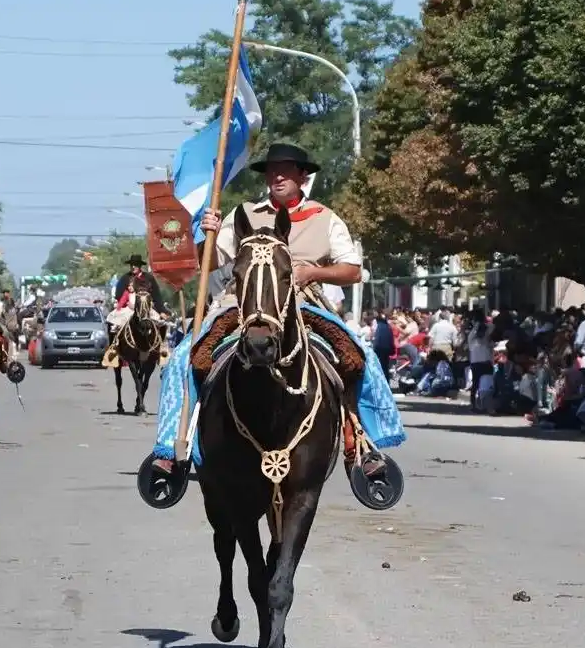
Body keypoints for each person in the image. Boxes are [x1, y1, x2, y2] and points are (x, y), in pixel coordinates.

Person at [150, 142, 405, 477]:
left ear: (303, 176)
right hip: (241, 305)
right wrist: (206, 235)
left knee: (360, 356)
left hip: (304, 304)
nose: (278, 176)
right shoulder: (243, 215)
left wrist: (312, 272)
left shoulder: (325, 218)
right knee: (183, 358)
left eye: (285, 170)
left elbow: (352, 270)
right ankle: (171, 446)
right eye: (272, 171)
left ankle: (362, 443)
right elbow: (207, 262)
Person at [103, 254, 168, 364]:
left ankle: (161, 348)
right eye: (132, 265)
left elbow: (157, 296)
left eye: (136, 265)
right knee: (112, 320)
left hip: (147, 309)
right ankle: (113, 348)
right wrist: (126, 302)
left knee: (161, 323)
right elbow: (119, 294)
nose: (133, 267)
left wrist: (162, 310)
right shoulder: (125, 278)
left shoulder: (149, 278)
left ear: (140, 266)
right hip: (129, 308)